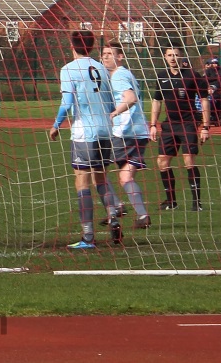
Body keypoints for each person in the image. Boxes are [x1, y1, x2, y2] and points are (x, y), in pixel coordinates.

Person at [50, 30, 118, 249]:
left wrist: (56, 125)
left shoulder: (69, 69)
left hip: (84, 133)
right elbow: (111, 103)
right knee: (102, 179)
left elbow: (67, 102)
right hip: (106, 131)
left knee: (82, 182)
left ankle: (88, 236)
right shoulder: (102, 68)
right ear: (91, 47)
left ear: (72, 46)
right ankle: (114, 218)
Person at [149, 46, 211, 212]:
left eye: (176, 55)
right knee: (162, 162)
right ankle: (171, 202)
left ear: (181, 56)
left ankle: (196, 203)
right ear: (165, 57)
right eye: (169, 55)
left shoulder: (192, 75)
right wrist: (153, 125)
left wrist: (205, 126)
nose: (172, 58)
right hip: (169, 124)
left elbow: (204, 99)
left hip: (188, 123)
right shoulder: (162, 76)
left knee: (188, 161)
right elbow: (157, 101)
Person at [102, 40, 152, 230]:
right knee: (126, 177)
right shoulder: (126, 74)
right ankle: (142, 215)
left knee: (95, 169)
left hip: (123, 132)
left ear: (120, 57)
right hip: (139, 133)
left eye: (110, 54)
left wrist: (114, 113)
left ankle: (116, 206)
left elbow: (130, 98)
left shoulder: (118, 76)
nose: (105, 57)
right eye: (103, 54)